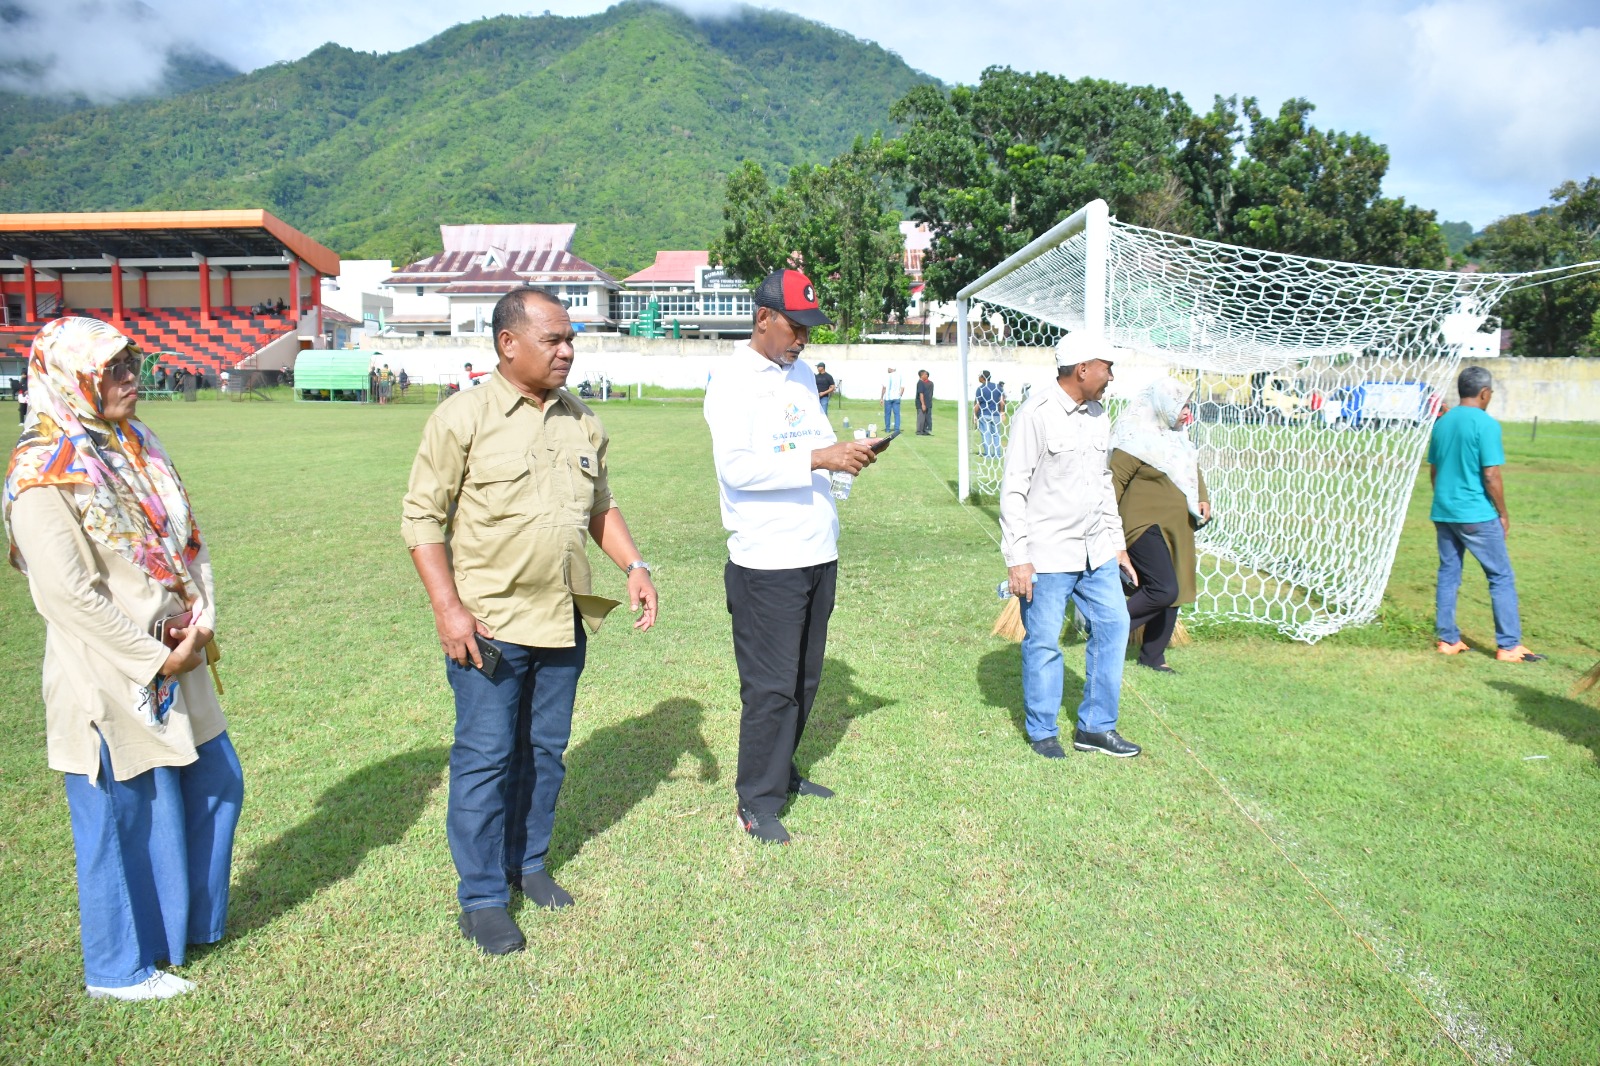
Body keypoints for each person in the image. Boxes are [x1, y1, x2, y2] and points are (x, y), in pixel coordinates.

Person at [402, 286, 659, 955]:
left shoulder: (584, 422)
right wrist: (448, 610)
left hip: (562, 620)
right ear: (507, 343)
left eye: (571, 339)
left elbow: (601, 506)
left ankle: (530, 864)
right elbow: (422, 519)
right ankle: (483, 897)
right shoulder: (462, 418)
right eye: (554, 339)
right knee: (485, 760)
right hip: (487, 624)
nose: (567, 350)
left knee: (543, 755)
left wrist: (635, 565)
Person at [3, 317, 243, 1000]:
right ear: (70, 379)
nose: (129, 378)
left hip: (177, 650)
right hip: (111, 669)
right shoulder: (40, 470)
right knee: (123, 812)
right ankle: (119, 967)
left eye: (131, 362)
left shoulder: (130, 444)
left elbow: (176, 544)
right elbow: (66, 594)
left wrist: (197, 620)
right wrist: (152, 659)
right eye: (111, 369)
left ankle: (185, 928)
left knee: (215, 783)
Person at [704, 268, 879, 845]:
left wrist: (847, 458)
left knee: (805, 677)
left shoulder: (802, 373)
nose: (803, 339)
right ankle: (755, 800)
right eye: (795, 326)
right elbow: (737, 468)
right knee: (771, 685)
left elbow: (816, 445)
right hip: (766, 557)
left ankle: (782, 774)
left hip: (816, 547)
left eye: (809, 328)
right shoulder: (731, 381)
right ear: (763, 320)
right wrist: (822, 459)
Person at [1001, 353, 1141, 759]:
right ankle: (1043, 731)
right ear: (1082, 369)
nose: (1111, 377)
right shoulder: (1036, 413)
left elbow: (1102, 485)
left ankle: (1096, 728)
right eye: (1107, 368)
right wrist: (1018, 557)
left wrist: (1117, 546)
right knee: (1044, 642)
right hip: (1048, 553)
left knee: (1115, 624)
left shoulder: (1099, 414)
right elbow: (1013, 489)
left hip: (1096, 550)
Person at [1429, 366, 1543, 662]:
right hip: (1475, 513)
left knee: (1448, 573)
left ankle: (1448, 640)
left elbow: (1435, 469)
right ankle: (1508, 646)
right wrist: (1503, 514)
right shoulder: (1486, 424)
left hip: (1444, 511)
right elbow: (1491, 475)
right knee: (1500, 576)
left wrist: (1444, 499)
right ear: (1484, 393)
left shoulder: (1442, 422)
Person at [1110, 379, 1212, 673]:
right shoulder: (1133, 441)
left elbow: (1190, 470)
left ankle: (1153, 656)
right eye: (1181, 405)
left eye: (1188, 405)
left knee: (1175, 590)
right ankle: (1108, 629)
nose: (1185, 411)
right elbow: (1112, 486)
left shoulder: (1177, 438)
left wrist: (1202, 498)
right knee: (1164, 589)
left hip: (1177, 526)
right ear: (1162, 405)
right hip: (1141, 526)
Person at [974, 370, 1004, 458]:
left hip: (984, 414)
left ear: (983, 378)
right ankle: (997, 454)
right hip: (995, 414)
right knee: (996, 434)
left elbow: (977, 404)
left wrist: (975, 415)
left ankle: (988, 454)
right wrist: (1002, 412)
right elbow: (1002, 401)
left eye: (979, 376)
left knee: (985, 434)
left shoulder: (980, 389)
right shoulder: (998, 387)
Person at [880, 365, 904, 434]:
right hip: (896, 397)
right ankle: (897, 429)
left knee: (887, 414)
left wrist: (881, 397)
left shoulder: (887, 376)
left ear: (891, 369)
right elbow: (902, 387)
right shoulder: (900, 376)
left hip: (888, 397)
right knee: (897, 414)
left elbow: (884, 388)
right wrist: (900, 395)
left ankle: (887, 429)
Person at [914, 369, 934, 435]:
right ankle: (919, 431)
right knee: (921, 417)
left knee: (925, 418)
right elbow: (921, 394)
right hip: (921, 403)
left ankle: (924, 430)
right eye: (925, 374)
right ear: (922, 375)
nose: (927, 375)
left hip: (926, 403)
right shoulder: (920, 383)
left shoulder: (925, 383)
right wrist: (923, 404)